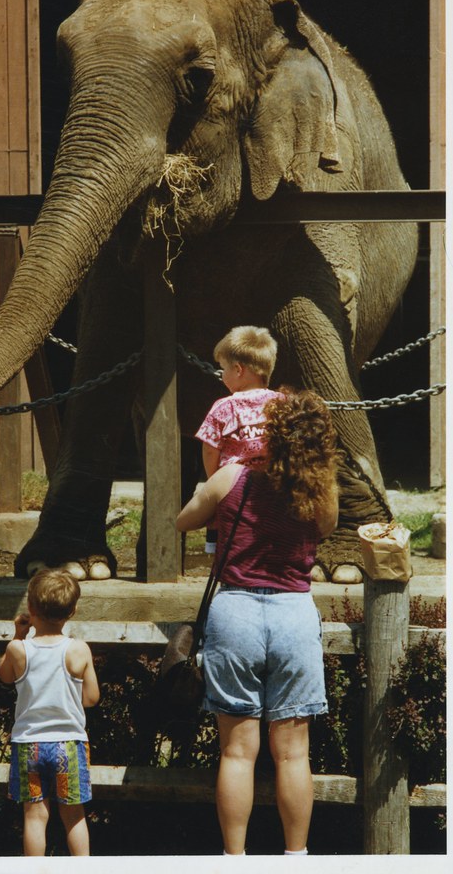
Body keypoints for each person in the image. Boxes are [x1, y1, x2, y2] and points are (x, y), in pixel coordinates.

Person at [177, 389, 339, 856]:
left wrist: (203, 494)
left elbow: (183, 522)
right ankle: (296, 857)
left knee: (237, 753)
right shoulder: (320, 491)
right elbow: (324, 529)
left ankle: (235, 858)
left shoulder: (232, 478)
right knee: (292, 755)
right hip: (293, 613)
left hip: (236, 613)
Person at [0, 568, 100, 857]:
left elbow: (4, 676)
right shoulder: (78, 650)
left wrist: (18, 635)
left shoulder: (19, 650)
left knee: (34, 816)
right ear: (73, 610)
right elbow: (91, 698)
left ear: (30, 608)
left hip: (29, 744)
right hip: (69, 743)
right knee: (74, 816)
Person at [196, 325, 283, 553]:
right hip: (277, 488)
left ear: (238, 370)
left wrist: (215, 480)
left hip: (234, 490)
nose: (221, 375)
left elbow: (209, 449)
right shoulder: (284, 404)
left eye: (223, 368)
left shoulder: (224, 407)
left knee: (232, 547)